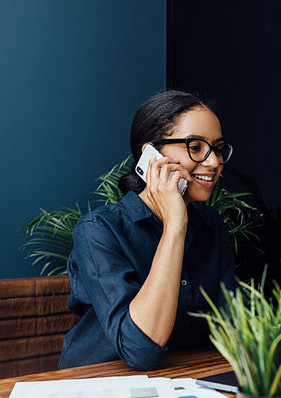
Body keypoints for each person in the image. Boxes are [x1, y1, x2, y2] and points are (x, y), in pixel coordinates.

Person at [59, 90, 237, 370]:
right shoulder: (99, 231)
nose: (214, 162)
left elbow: (233, 328)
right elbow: (140, 349)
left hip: (179, 377)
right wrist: (175, 225)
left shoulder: (211, 226)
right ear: (151, 155)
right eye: (196, 147)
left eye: (218, 148)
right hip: (97, 381)